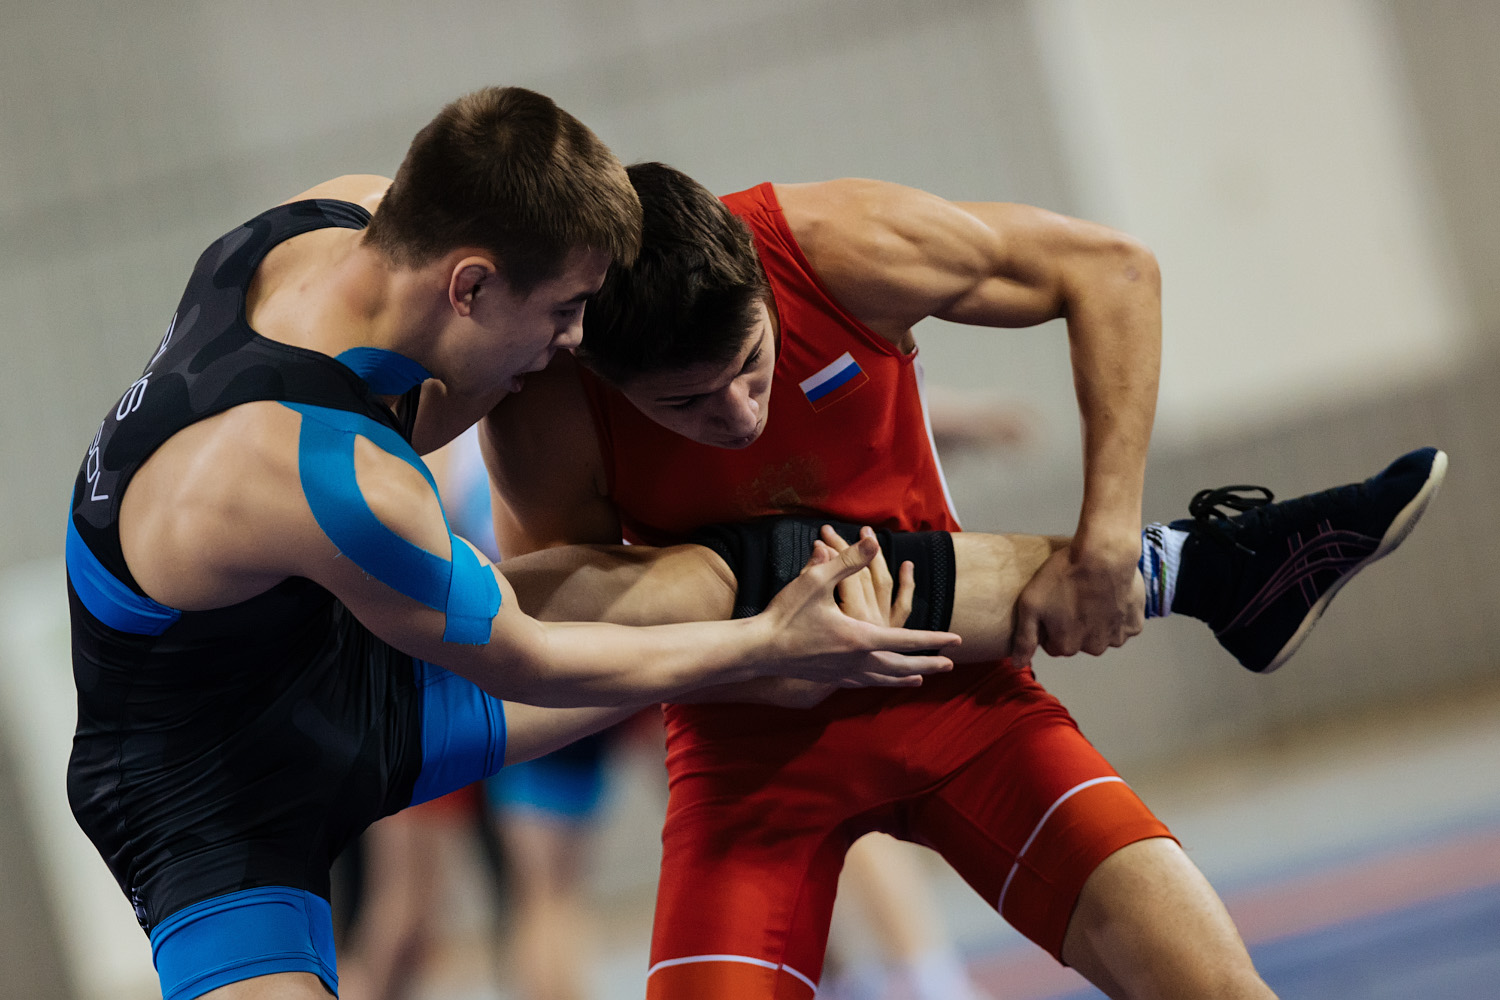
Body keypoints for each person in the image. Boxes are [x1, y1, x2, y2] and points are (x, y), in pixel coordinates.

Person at [63, 89, 963, 1000]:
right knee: (752, 630)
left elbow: (505, 334)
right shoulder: (331, 475)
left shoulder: (338, 222)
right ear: (472, 285)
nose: (577, 343)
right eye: (567, 309)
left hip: (338, 658)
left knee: (749, 577)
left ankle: (1095, 564)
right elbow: (527, 663)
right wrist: (767, 650)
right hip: (203, 791)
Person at [480, 162, 1447, 999]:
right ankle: (1195, 564)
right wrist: (766, 659)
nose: (737, 415)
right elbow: (568, 633)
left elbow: (1112, 268)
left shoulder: (832, 245)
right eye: (683, 404)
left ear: (765, 297)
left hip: (961, 702)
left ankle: (1158, 560)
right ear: (603, 373)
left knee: (1210, 984)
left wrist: (1106, 538)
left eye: (752, 367)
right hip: (747, 759)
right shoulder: (547, 405)